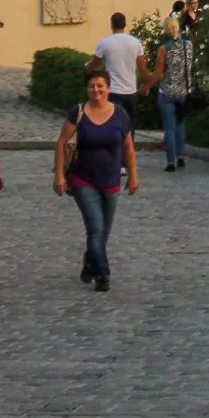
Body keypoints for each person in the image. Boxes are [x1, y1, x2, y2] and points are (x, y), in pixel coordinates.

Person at [54, 67, 137, 292]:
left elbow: (128, 147)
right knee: (95, 227)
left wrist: (133, 176)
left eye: (100, 85)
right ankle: (103, 274)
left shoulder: (120, 114)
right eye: (91, 86)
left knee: (104, 230)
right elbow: (62, 142)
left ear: (108, 88)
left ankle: (90, 261)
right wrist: (60, 175)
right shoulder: (78, 112)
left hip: (111, 180)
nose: (96, 89)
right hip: (84, 179)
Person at [144, 13, 193, 170]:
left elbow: (158, 72)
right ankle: (181, 157)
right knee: (180, 125)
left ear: (166, 30)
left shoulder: (164, 49)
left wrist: (147, 86)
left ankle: (170, 162)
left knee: (169, 128)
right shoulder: (188, 45)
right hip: (184, 91)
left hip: (167, 92)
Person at [93, 12, 148, 115]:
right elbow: (142, 67)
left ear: (111, 25)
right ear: (125, 24)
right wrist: (145, 85)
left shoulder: (104, 43)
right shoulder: (135, 42)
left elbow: (94, 64)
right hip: (131, 91)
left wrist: (86, 67)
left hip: (113, 91)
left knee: (114, 124)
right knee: (129, 125)